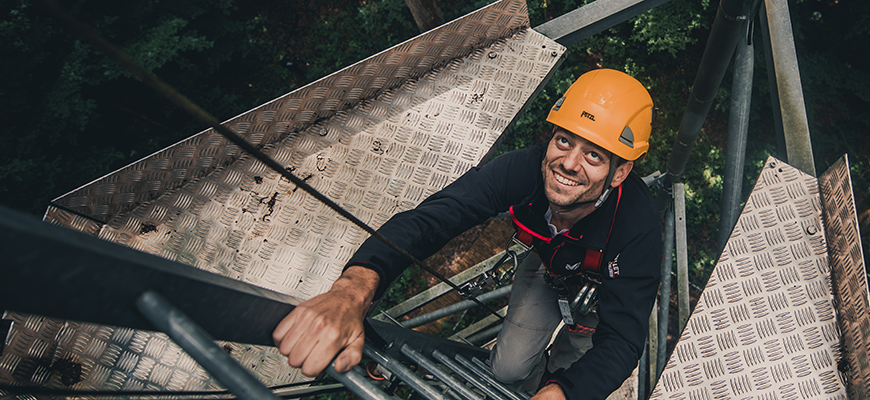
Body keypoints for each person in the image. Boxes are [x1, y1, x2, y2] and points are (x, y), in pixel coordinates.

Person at [273, 68, 662, 400]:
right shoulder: (524, 170)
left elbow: (623, 339)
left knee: (574, 364)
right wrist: (352, 290)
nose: (569, 163)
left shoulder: (636, 229)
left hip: (603, 294)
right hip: (549, 268)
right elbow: (433, 219)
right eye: (564, 141)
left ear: (621, 172)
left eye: (594, 155)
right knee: (508, 371)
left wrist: (564, 392)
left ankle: (554, 378)